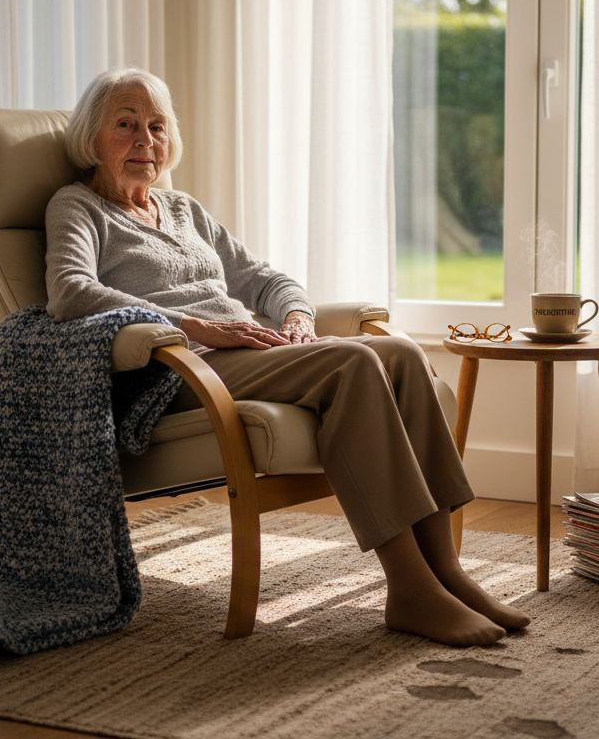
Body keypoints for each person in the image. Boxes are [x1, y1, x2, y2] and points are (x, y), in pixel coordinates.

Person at [44, 68, 529, 646]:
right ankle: (409, 589)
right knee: (353, 363)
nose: (144, 141)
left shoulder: (183, 210)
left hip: (243, 350)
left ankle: (445, 570)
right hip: (180, 367)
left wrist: (297, 317)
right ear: (92, 137)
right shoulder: (78, 207)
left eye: (156, 126)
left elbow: (265, 280)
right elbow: (70, 290)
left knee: (396, 351)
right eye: (125, 125)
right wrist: (196, 325)